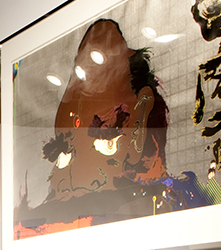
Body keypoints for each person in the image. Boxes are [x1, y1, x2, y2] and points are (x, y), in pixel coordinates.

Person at [16, 19, 206, 235]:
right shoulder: (49, 220)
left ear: (140, 125)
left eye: (106, 144)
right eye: (63, 156)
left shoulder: (171, 209)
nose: (74, 181)